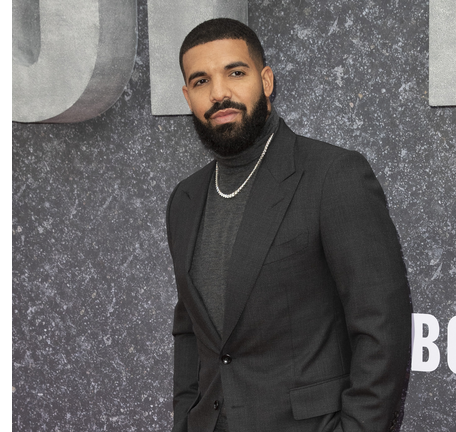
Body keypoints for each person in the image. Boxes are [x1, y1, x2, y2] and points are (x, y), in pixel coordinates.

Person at [166, 18, 412, 432]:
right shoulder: (185, 200)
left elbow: (382, 329)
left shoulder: (332, 175)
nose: (220, 92)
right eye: (202, 80)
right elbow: (191, 331)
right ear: (188, 96)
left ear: (266, 80)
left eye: (236, 73)